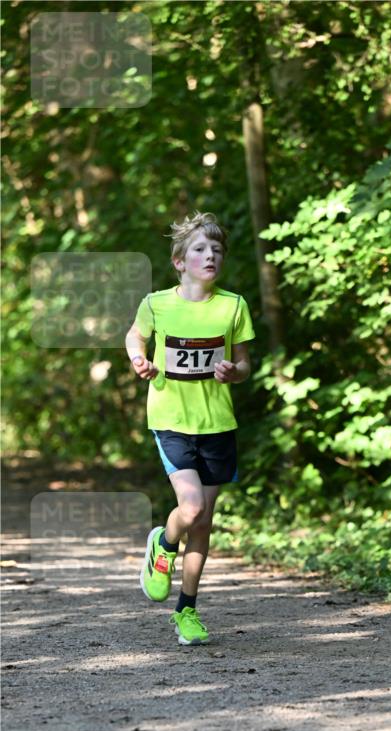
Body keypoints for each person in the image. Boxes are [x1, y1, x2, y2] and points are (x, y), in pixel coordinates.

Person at [125, 211, 255, 644]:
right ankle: (163, 543)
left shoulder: (233, 306)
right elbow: (134, 336)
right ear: (180, 262)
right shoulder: (157, 304)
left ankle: (186, 613)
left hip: (217, 424)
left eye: (216, 249)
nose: (210, 255)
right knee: (192, 507)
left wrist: (232, 371)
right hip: (171, 421)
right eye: (200, 249)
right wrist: (138, 360)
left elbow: (245, 365)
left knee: (203, 524)